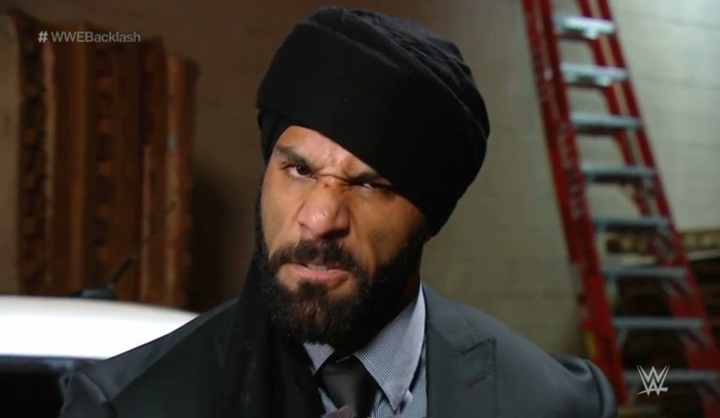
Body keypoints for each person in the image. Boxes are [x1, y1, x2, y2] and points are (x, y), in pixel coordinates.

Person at [59, 6, 617, 418]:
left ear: (428, 215)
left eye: (370, 184)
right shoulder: (129, 405)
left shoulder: (553, 403)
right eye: (299, 171)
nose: (321, 218)